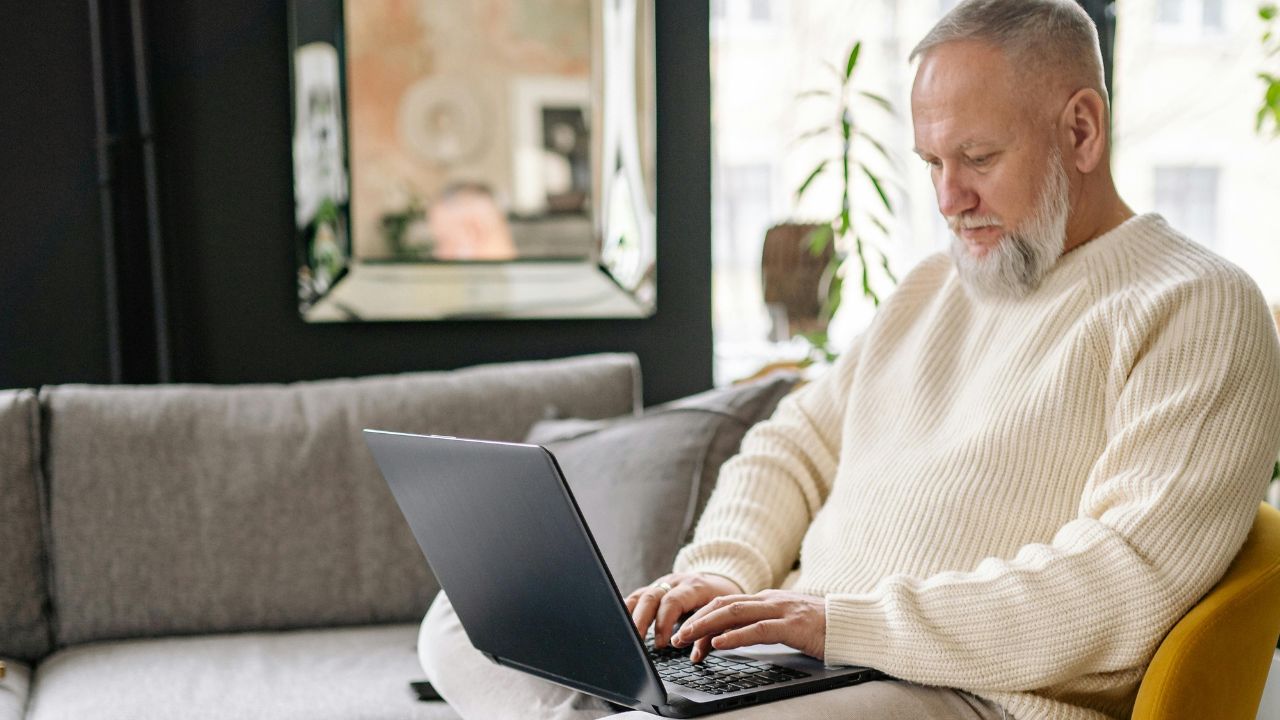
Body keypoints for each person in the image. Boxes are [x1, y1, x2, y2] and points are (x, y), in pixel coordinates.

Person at [418, 1, 1280, 718]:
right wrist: (720, 571)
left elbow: (1121, 584)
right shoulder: (930, 289)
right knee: (467, 619)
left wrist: (837, 623)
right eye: (933, 162)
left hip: (965, 696)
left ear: (1081, 129)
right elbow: (792, 446)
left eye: (978, 157)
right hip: (811, 660)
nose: (949, 198)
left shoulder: (1196, 306)